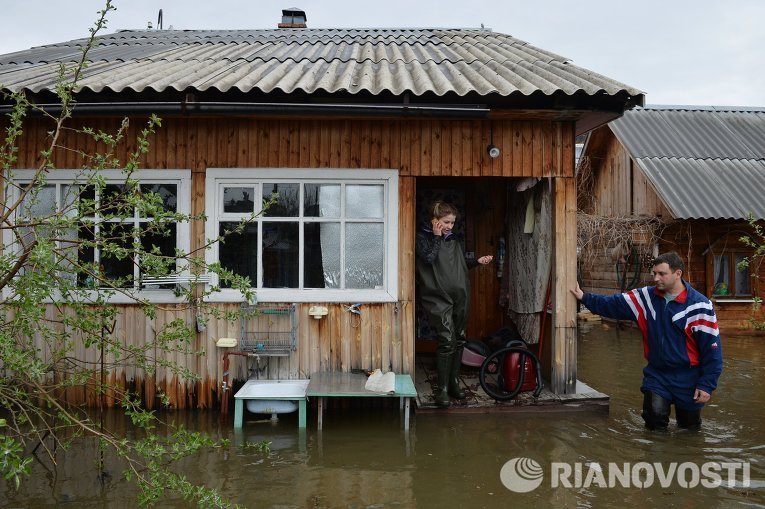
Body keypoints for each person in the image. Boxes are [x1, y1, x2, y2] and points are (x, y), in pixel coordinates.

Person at [570, 252, 723, 430]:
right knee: (654, 419)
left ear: (678, 273)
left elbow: (712, 350)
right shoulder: (645, 298)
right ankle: (653, 455)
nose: (656, 278)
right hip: (657, 374)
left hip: (688, 377)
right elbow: (613, 303)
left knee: (689, 429)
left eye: (662, 274)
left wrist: (706, 385)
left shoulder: (700, 306)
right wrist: (584, 297)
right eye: (654, 273)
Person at [416, 201, 493, 408]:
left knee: (459, 339)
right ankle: (441, 389)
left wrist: (477, 261)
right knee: (446, 340)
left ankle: (453, 383)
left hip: (460, 295)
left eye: (452, 222)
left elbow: (459, 264)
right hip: (437, 297)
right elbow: (430, 258)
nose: (450, 226)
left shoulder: (454, 239)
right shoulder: (423, 237)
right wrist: (436, 235)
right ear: (434, 220)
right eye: (446, 222)